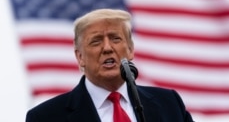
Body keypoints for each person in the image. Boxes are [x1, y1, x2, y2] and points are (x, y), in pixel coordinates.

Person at [25, 8, 194, 122]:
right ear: (80, 57)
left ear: (130, 49)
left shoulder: (169, 104)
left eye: (115, 38)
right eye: (96, 41)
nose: (107, 48)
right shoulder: (45, 117)